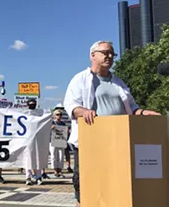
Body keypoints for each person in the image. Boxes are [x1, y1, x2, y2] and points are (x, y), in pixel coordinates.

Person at [63, 40, 160, 207]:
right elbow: (71, 105)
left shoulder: (118, 82)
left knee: (116, 185)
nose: (109, 56)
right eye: (105, 52)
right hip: (91, 143)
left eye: (112, 54)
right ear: (93, 55)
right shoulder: (80, 79)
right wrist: (84, 112)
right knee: (86, 189)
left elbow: (132, 107)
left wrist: (143, 112)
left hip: (117, 143)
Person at [24, 98, 43, 185]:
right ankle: (28, 177)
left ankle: (39, 177)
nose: (32, 106)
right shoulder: (24, 113)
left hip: (38, 138)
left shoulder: (40, 113)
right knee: (28, 158)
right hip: (27, 139)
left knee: (38, 158)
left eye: (34, 104)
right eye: (31, 104)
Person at [50, 109, 66, 177]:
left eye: (60, 114)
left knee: (61, 156)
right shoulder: (52, 123)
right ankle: (55, 170)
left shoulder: (63, 123)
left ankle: (60, 170)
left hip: (61, 141)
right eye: (57, 114)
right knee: (53, 155)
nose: (59, 116)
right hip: (53, 140)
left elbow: (65, 131)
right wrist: (51, 128)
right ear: (54, 115)